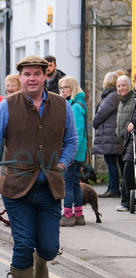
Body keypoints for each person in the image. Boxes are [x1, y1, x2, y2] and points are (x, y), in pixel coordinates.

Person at [0, 55, 77, 278]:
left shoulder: (62, 105)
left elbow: (71, 140)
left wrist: (62, 163)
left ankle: (42, 259)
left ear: (46, 76)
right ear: (19, 78)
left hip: (49, 189)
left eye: (37, 73)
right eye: (27, 74)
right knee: (23, 244)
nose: (32, 78)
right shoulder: (6, 106)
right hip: (15, 188)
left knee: (47, 247)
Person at [58, 76, 87, 227]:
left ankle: (68, 215)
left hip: (73, 153)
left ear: (73, 88)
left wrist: (70, 153)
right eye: (61, 87)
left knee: (68, 183)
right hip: (78, 152)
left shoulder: (75, 106)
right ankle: (79, 214)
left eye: (65, 87)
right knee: (75, 184)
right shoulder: (74, 104)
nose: (62, 90)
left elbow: (78, 133)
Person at [92, 72, 123, 198]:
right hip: (111, 134)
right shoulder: (114, 95)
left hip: (109, 135)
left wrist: (94, 123)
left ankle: (113, 188)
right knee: (111, 161)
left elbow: (101, 113)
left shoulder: (112, 96)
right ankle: (111, 187)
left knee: (110, 161)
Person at [115, 75, 134, 212]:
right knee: (126, 169)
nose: (121, 88)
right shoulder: (122, 101)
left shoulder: (132, 99)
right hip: (127, 140)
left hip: (132, 140)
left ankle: (127, 201)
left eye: (124, 85)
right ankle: (126, 201)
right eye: (119, 86)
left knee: (128, 168)